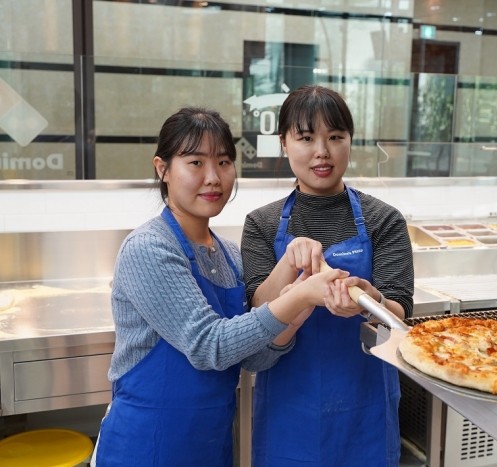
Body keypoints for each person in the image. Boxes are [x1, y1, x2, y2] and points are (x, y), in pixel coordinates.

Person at [91, 107, 347, 466]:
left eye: (224, 162)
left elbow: (252, 358)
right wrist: (298, 297)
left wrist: (295, 317)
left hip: (208, 447)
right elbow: (209, 346)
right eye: (195, 163)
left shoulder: (227, 254)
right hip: (145, 446)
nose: (213, 177)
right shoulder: (149, 247)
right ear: (162, 168)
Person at [241, 85, 414, 466]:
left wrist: (370, 300)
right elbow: (257, 312)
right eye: (306, 138)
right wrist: (289, 264)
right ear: (284, 143)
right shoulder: (261, 224)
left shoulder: (384, 220)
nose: (322, 151)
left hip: (364, 406)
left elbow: (399, 316)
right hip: (288, 410)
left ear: (350, 142)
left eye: (335, 137)